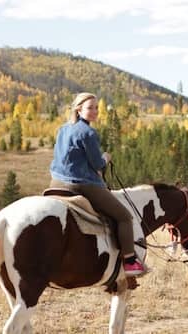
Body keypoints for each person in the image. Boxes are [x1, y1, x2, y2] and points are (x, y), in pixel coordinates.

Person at [50, 92, 146, 276]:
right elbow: (97, 164)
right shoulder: (88, 132)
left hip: (56, 181)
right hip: (80, 184)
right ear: (78, 109)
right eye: (90, 108)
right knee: (124, 217)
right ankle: (130, 261)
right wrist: (105, 158)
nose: (95, 111)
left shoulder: (62, 128)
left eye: (96, 108)